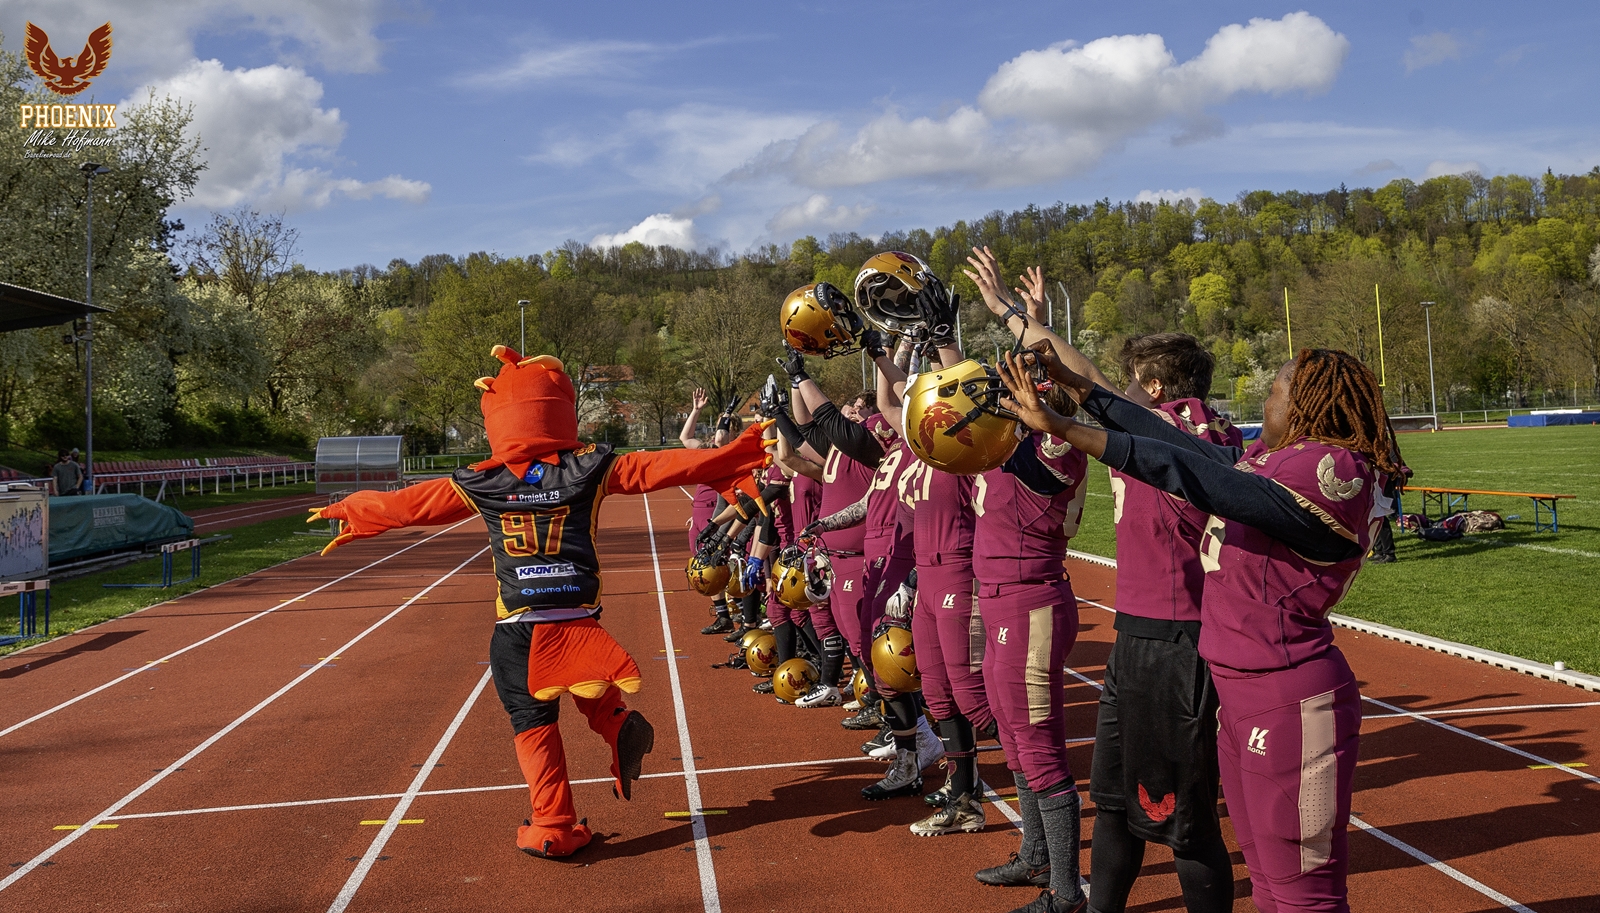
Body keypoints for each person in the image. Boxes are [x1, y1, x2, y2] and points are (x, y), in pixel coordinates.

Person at [314, 346, 770, 860]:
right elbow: (658, 467)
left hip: (520, 626)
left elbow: (410, 505)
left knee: (532, 724)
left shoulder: (481, 481)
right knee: (584, 677)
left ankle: (553, 822)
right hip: (580, 619)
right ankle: (616, 722)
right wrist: (730, 459)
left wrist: (352, 510)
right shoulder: (590, 467)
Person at [997, 342, 1400, 913]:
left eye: (1275, 393)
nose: (1267, 405)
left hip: (1286, 695)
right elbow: (1176, 446)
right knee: (1265, 882)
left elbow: (1189, 473)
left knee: (1303, 896)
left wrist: (1066, 425)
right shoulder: (1280, 457)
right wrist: (1080, 389)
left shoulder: (1329, 468)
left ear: (1308, 404)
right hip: (1243, 689)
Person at [995, 271, 1241, 913]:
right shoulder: (1165, 426)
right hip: (1139, 632)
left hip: (1177, 636)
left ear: (1156, 391)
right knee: (1112, 803)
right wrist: (1019, 320)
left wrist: (1029, 326)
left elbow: (1095, 387)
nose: (1117, 391)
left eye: (1133, 382)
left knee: (1183, 821)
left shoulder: (1189, 432)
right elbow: (1092, 382)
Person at [681, 387, 747, 634]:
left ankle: (741, 612)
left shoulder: (733, 452)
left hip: (716, 513)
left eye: (724, 425)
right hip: (700, 512)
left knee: (719, 563)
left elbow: (721, 441)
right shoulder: (709, 451)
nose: (718, 431)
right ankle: (723, 615)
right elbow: (685, 439)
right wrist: (696, 411)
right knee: (702, 565)